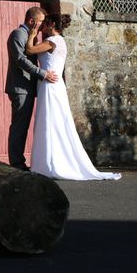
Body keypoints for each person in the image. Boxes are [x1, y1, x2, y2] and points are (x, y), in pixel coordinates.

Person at [26, 13, 122, 180]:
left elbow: (29, 50)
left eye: (46, 23)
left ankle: (52, 163)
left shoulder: (53, 41)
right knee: (52, 120)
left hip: (50, 85)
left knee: (51, 120)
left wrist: (32, 35)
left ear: (52, 25)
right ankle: (48, 161)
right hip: (50, 84)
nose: (43, 26)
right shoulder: (59, 41)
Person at [5, 7, 59, 170]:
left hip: (28, 87)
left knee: (24, 126)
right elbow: (21, 59)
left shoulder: (30, 36)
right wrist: (42, 73)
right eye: (41, 22)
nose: (43, 25)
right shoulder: (18, 34)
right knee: (19, 126)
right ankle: (16, 163)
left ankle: (19, 161)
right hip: (20, 87)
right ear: (31, 21)